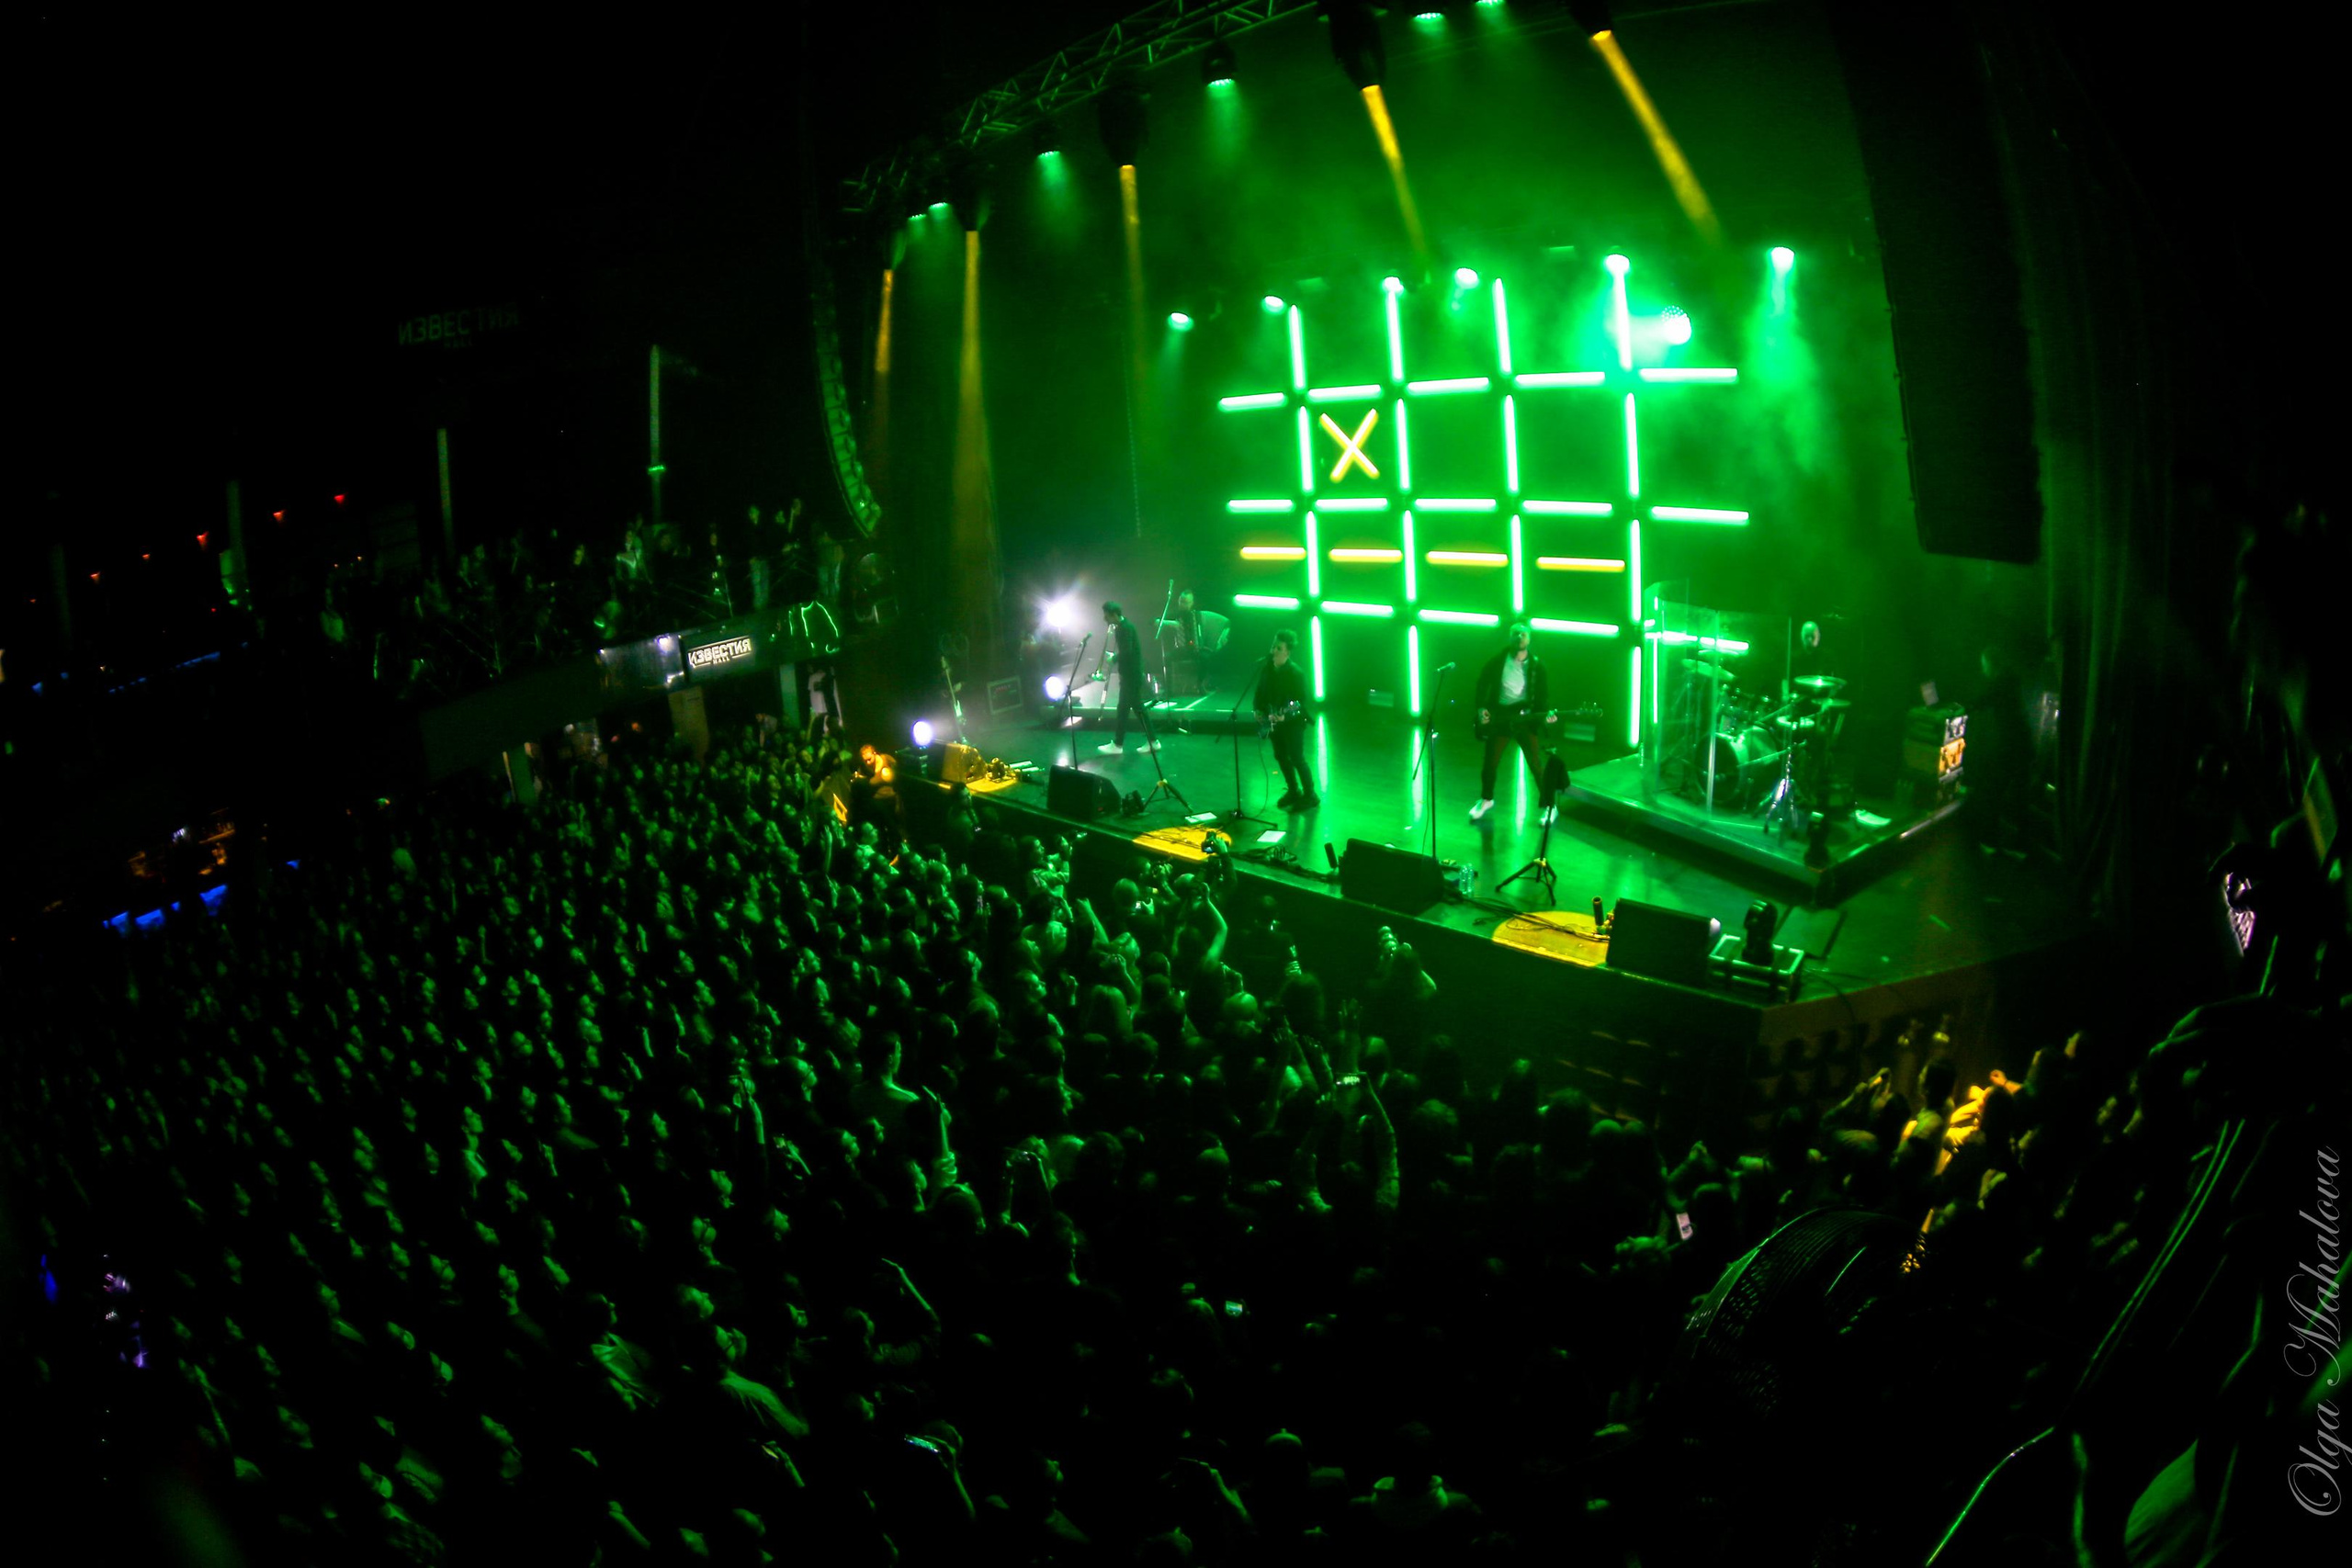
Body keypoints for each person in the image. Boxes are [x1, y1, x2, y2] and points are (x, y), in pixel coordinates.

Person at [1470, 623, 1559, 823]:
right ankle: (1486, 800)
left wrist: (1546, 715)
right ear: (1509, 637)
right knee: (1490, 763)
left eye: (1523, 634)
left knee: (1536, 765)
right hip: (1501, 718)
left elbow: (1544, 696)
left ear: (1529, 639)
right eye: (1515, 634)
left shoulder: (1537, 666)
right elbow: (1482, 683)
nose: (1519, 637)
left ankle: (1550, 806)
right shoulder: (1497, 661)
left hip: (1525, 719)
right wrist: (1481, 707)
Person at [1256, 629, 1316, 809]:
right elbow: (1260, 691)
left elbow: (1300, 702)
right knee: (1281, 756)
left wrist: (1285, 714)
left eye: (1278, 648)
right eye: (1273, 646)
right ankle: (1293, 790)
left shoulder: (1295, 673)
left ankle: (1310, 795)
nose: (1273, 650)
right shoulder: (1267, 668)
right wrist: (1257, 709)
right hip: (1274, 721)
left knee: (1297, 757)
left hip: (1293, 723)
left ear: (1287, 652)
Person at [1096, 602, 1158, 757]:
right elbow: (1127, 650)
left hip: (1131, 675)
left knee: (1128, 709)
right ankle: (1151, 742)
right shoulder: (1124, 627)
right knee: (1134, 709)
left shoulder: (1125, 629)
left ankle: (1119, 744)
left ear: (1115, 615)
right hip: (1131, 674)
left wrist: (1113, 658)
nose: (1105, 618)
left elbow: (1127, 651)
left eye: (1107, 615)